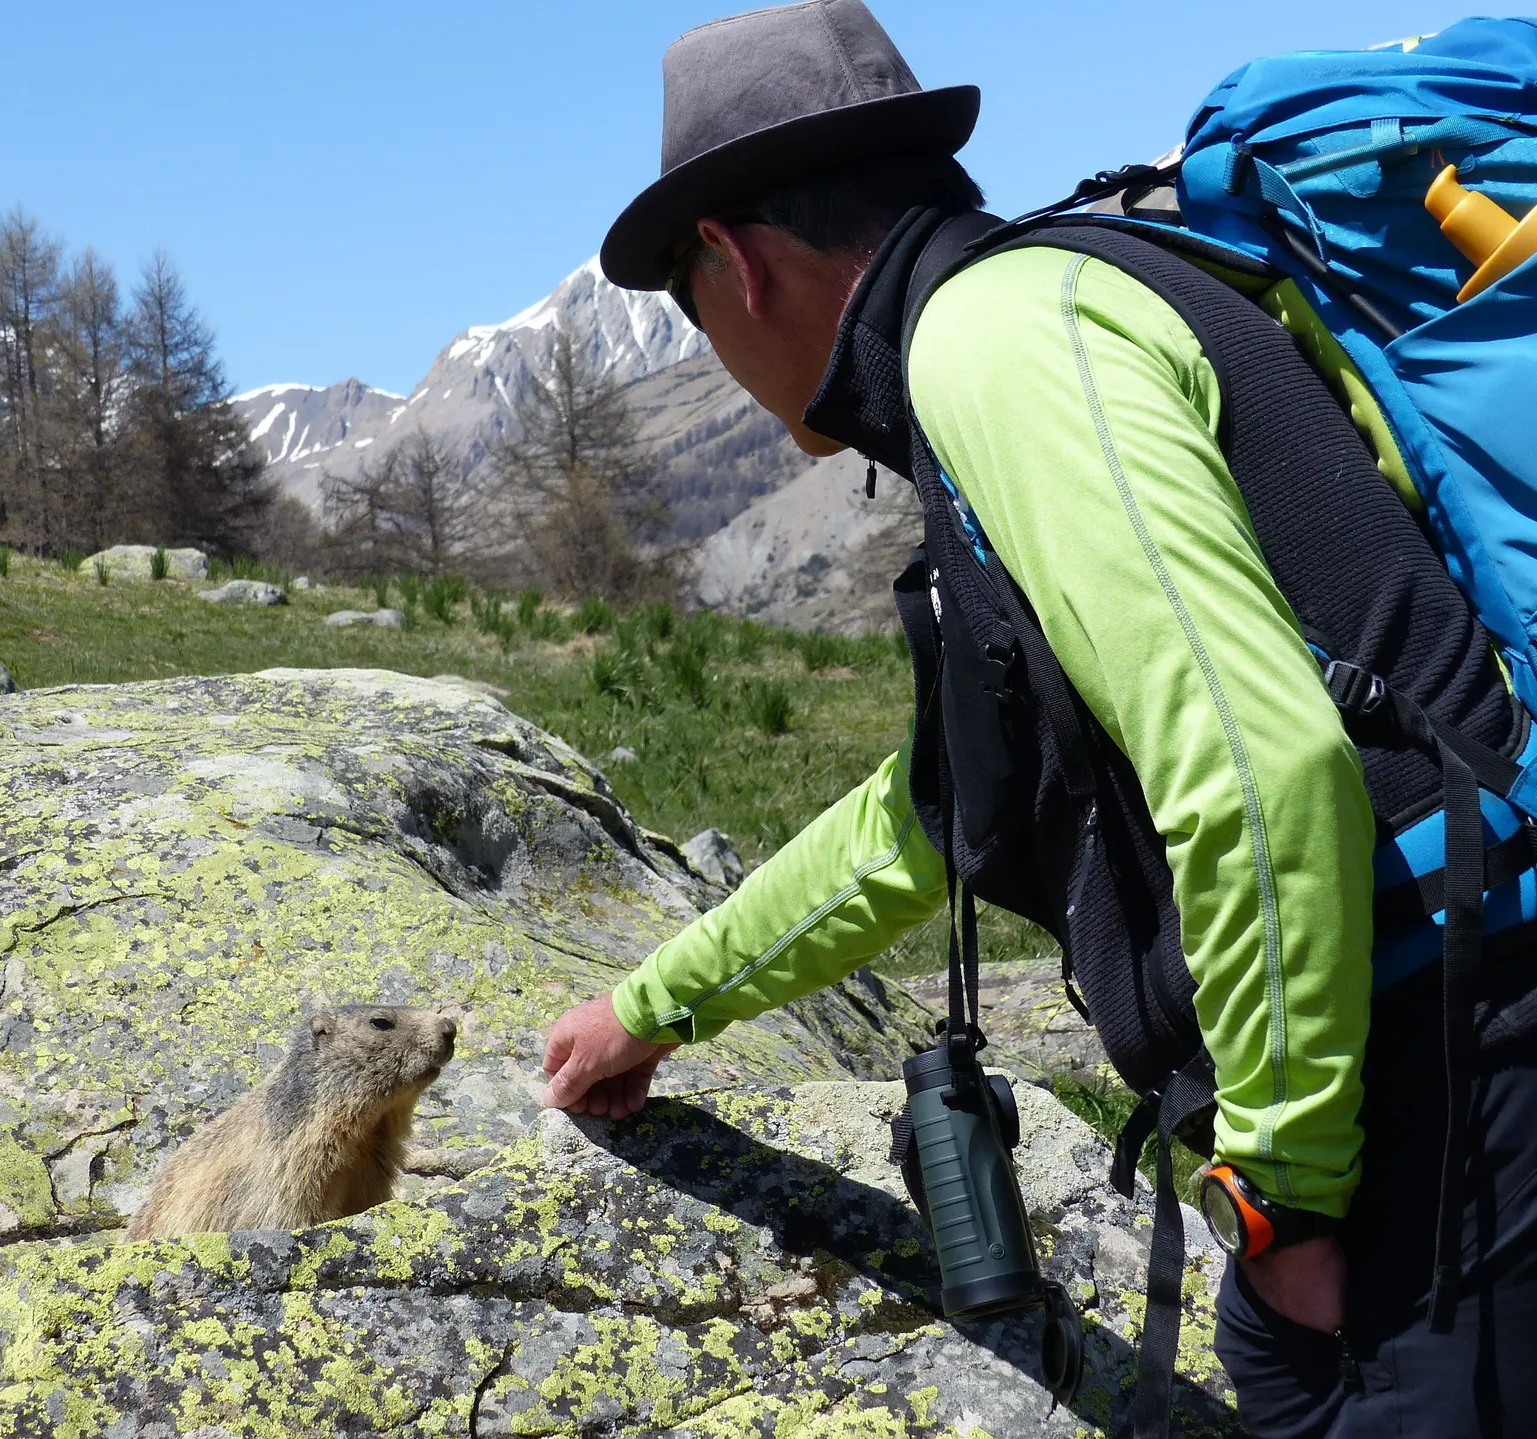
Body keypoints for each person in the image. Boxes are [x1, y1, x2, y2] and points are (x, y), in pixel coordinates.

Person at [540, 2, 1537, 1435]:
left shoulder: (992, 344)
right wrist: (653, 1003)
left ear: (734, 262)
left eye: (691, 317)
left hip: (1445, 1064)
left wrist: (1287, 1194)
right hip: (1440, 1019)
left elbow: (1261, 763)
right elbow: (944, 806)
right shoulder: (1044, 305)